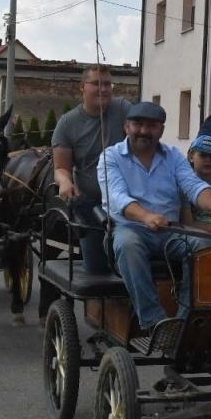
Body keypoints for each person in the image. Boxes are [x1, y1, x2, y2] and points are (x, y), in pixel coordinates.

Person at [101, 102, 211, 356]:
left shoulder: (172, 156)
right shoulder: (111, 156)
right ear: (127, 127)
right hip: (131, 228)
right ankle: (154, 322)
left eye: (151, 126)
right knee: (127, 245)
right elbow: (116, 196)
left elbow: (193, 186)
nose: (144, 131)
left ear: (160, 130)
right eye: (138, 124)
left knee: (204, 245)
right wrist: (145, 215)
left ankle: (184, 324)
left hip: (171, 231)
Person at [52, 65, 131, 273]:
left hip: (128, 202)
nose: (104, 89)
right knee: (97, 272)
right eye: (96, 84)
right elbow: (60, 167)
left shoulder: (123, 109)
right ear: (82, 87)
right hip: (91, 207)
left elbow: (140, 134)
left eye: (107, 84)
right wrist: (65, 181)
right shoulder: (67, 123)